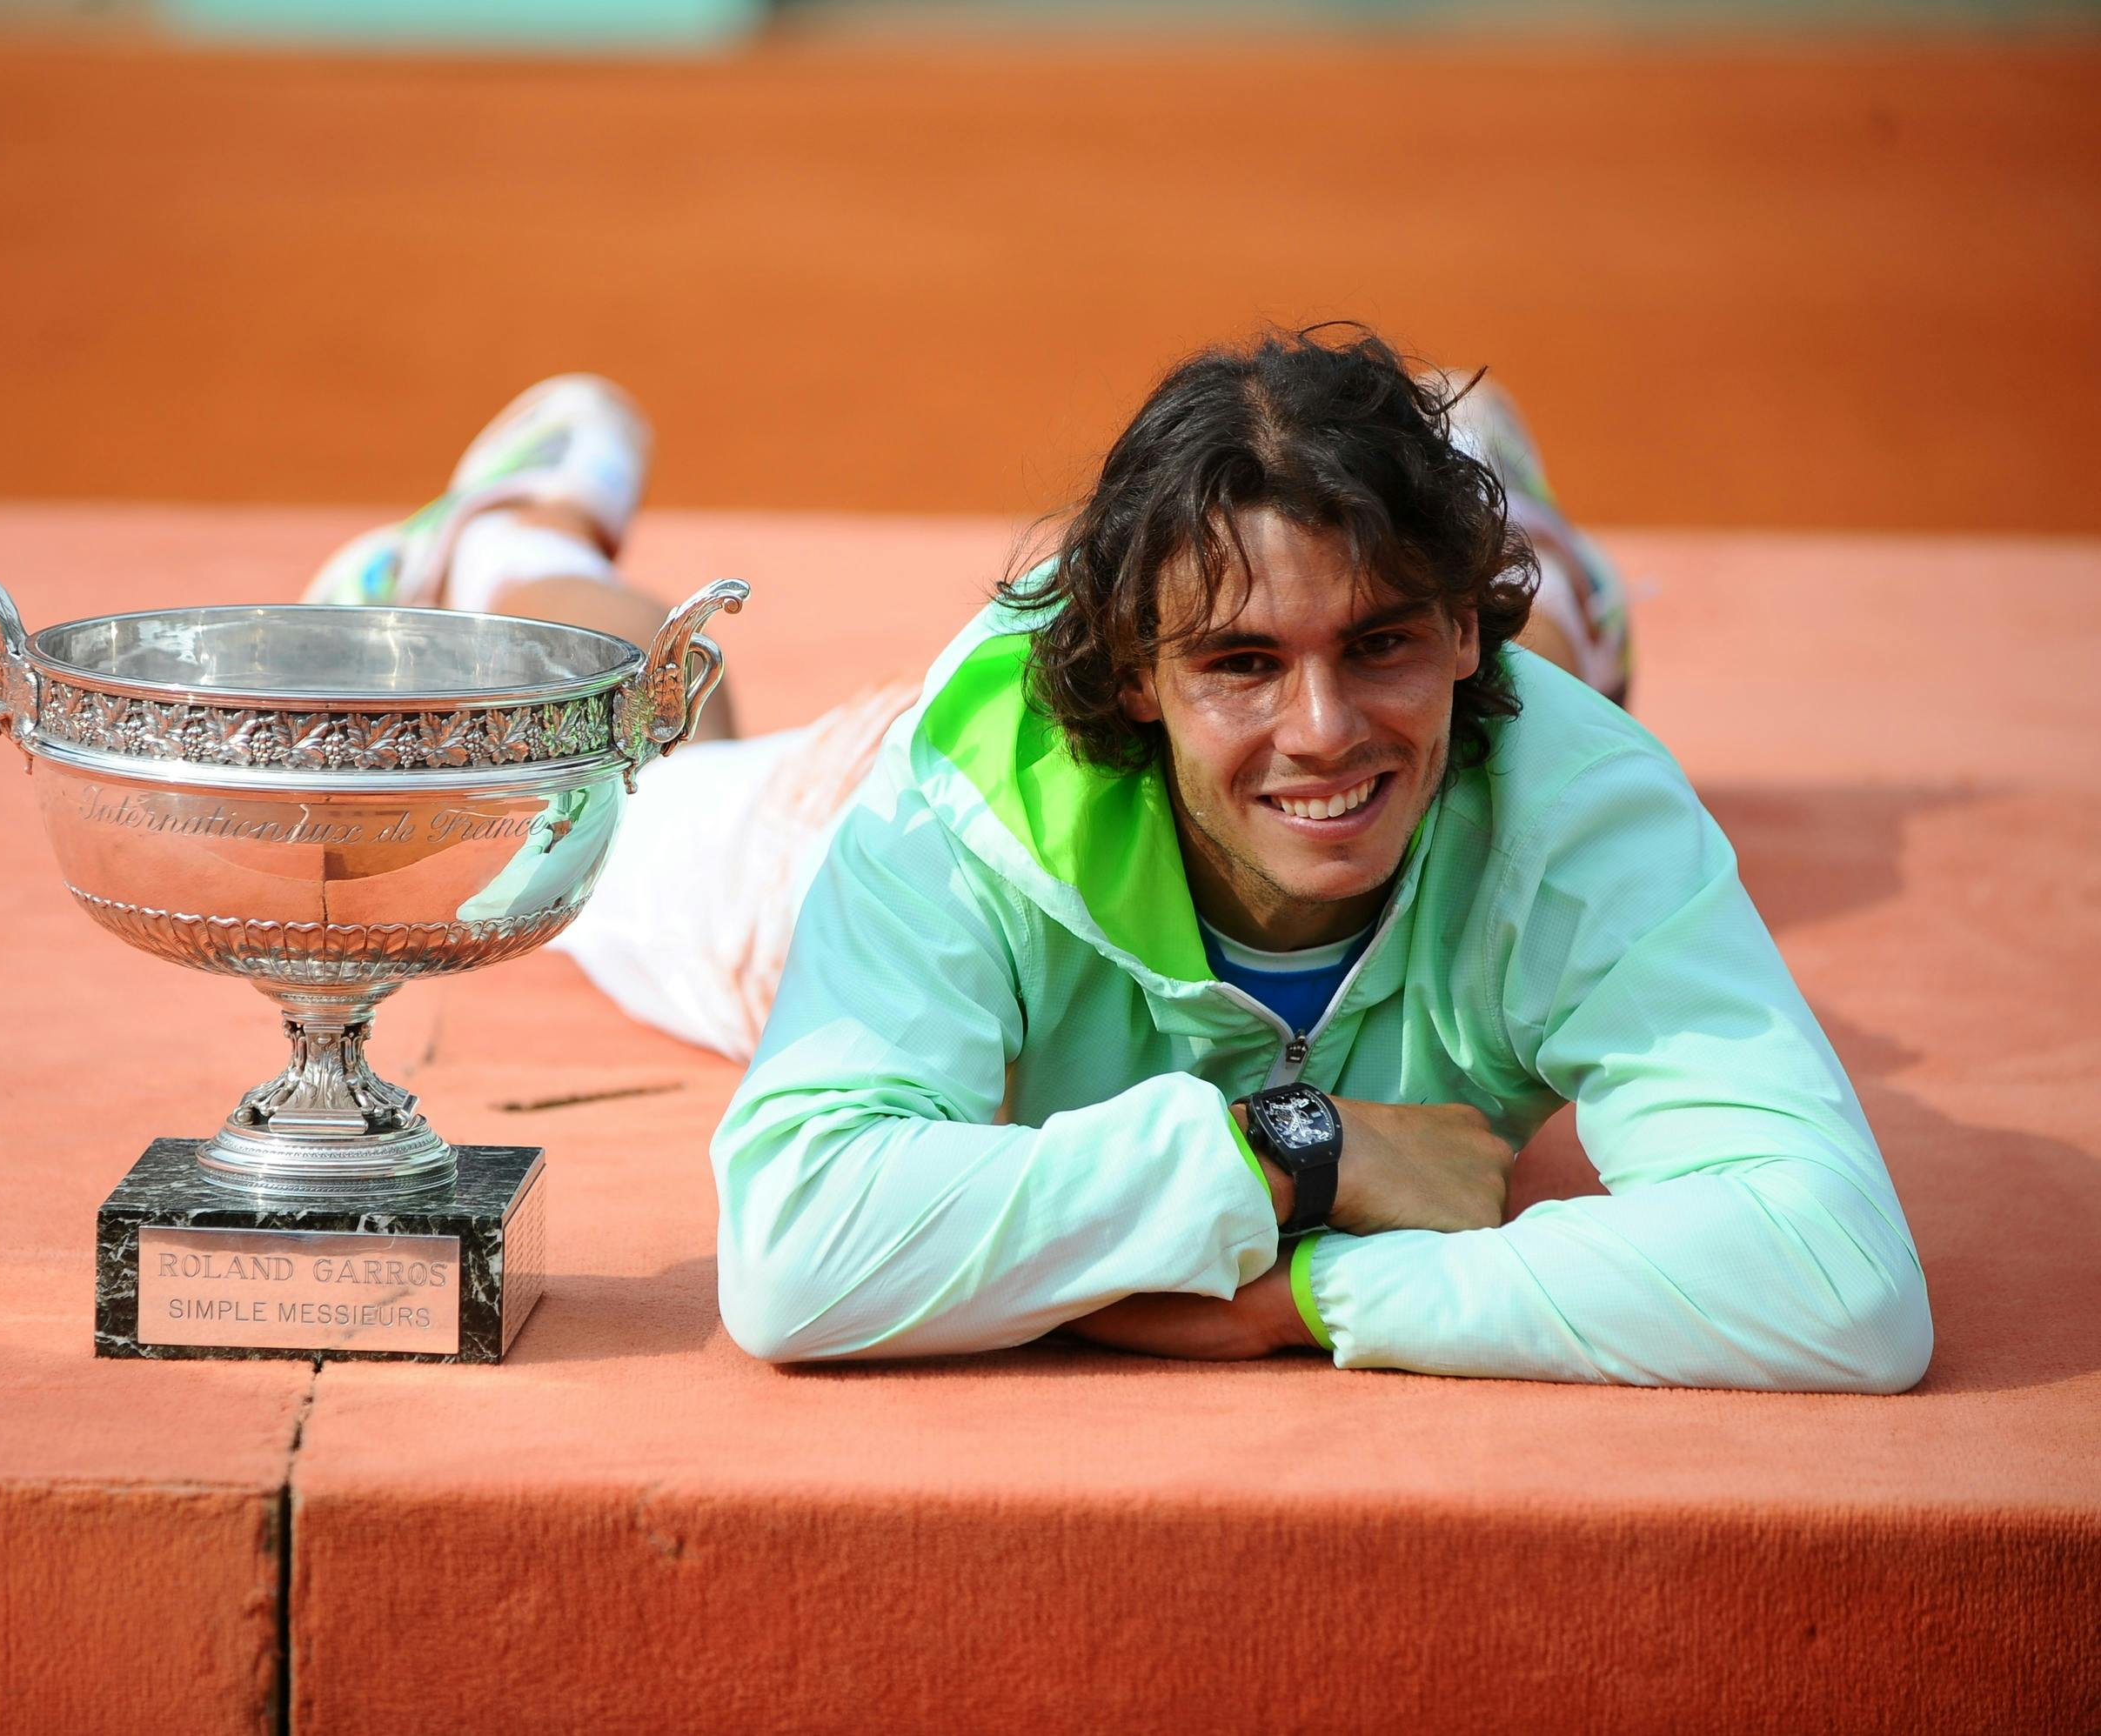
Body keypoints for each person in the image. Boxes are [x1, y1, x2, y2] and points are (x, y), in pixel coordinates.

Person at [307, 331, 1930, 1391]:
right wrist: (1289, 1155)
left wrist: (1314, 1294)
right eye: (1236, 663)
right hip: (821, 816)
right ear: (1136, 684)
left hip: (1484, 697)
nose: (1318, 728)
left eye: (1388, 638)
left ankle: (1533, 551)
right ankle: (516, 538)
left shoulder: (1579, 798)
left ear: (1458, 641)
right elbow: (797, 1260)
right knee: (636, 773)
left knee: (1499, 697)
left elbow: (1841, 1283)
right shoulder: (953, 808)